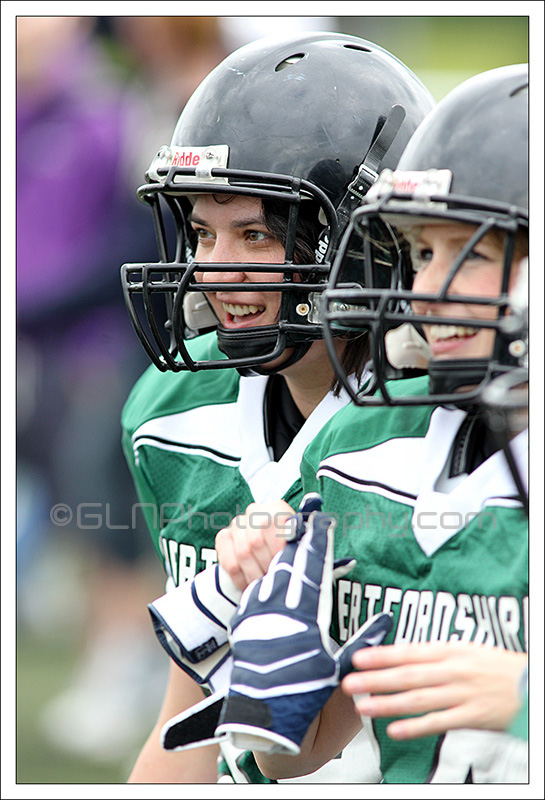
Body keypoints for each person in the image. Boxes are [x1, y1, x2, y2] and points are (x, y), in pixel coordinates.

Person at [120, 31, 435, 782]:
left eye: (255, 235)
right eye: (202, 232)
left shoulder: (440, 426)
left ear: (366, 247)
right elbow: (187, 722)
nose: (213, 268)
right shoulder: (174, 410)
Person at [214, 63, 529, 783]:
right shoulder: (366, 444)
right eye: (422, 253)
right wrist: (277, 674)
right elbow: (296, 752)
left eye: (470, 254)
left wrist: (523, 696)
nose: (425, 292)